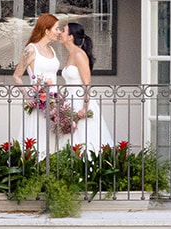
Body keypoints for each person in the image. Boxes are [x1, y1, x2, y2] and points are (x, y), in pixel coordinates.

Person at [57, 21, 112, 152]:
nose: (60, 33)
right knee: (71, 136)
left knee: (84, 135)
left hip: (79, 100)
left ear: (70, 37)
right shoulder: (71, 55)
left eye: (63, 31)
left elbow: (87, 82)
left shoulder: (79, 54)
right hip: (69, 100)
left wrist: (85, 106)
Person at [10, 13, 62, 150]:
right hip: (39, 103)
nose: (59, 32)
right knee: (37, 140)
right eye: (57, 29)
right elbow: (17, 76)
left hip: (55, 102)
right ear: (46, 30)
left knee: (51, 141)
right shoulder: (31, 49)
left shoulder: (52, 50)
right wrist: (27, 96)